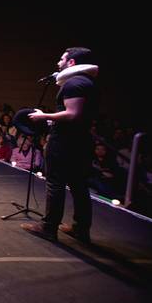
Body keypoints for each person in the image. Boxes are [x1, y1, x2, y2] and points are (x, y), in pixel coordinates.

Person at [22, 47, 99, 243]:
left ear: (71, 62)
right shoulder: (88, 82)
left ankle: (48, 228)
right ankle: (81, 229)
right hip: (80, 141)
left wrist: (44, 116)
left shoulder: (74, 83)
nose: (58, 62)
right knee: (79, 185)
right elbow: (78, 116)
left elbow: (72, 114)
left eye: (61, 59)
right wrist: (51, 120)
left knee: (55, 183)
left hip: (64, 143)